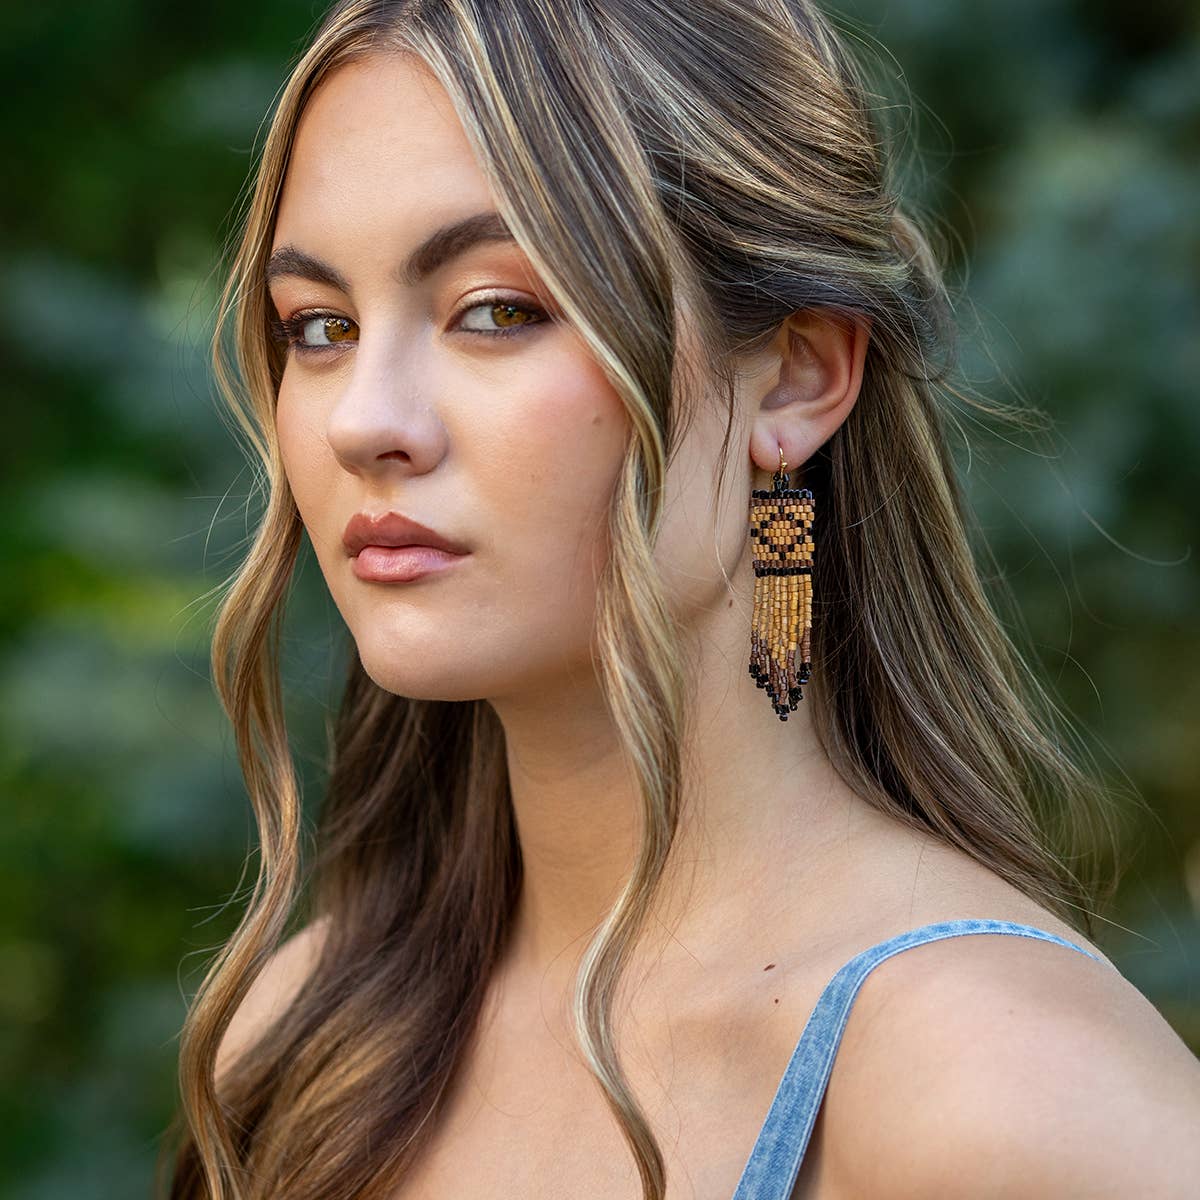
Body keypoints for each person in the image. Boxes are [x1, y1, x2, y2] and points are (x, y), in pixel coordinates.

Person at [161, 2, 1200, 1197]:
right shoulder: (305, 1045)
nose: (363, 422)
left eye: (498, 310)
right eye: (321, 326)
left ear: (798, 373)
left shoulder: (1002, 1098)